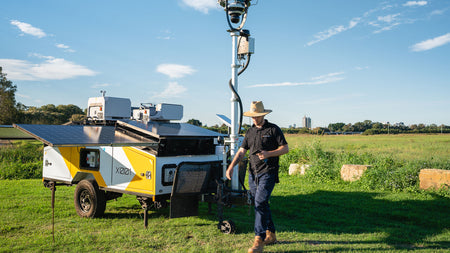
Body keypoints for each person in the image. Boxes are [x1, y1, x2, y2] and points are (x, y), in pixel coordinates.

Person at [226, 101, 289, 253]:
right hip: (252, 174)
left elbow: (285, 148)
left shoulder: (273, 129)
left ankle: (258, 240)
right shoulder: (250, 132)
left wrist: (269, 154)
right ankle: (271, 234)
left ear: (263, 115)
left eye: (257, 116)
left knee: (260, 202)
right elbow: (242, 151)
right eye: (252, 116)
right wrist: (231, 166)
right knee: (261, 203)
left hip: (268, 172)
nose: (254, 119)